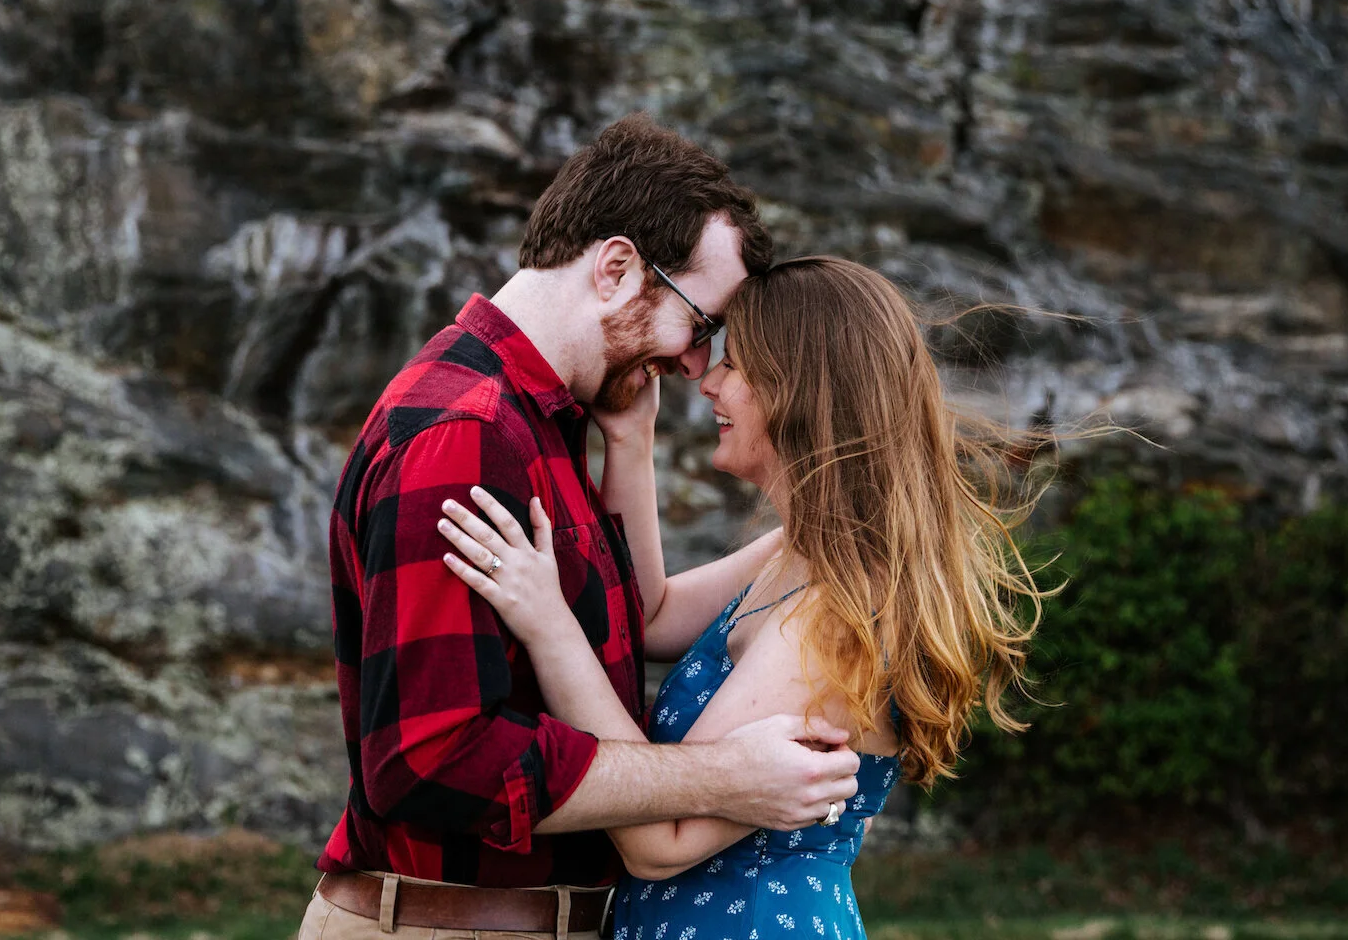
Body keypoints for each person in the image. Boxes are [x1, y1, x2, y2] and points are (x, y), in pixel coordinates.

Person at [299, 118, 865, 940]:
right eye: (701, 325)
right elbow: (428, 758)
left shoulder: (544, 421)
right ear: (615, 268)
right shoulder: (466, 435)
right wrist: (719, 777)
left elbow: (637, 623)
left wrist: (625, 447)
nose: (698, 365)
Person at [438, 256, 1048, 940]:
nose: (710, 384)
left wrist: (548, 623)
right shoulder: (803, 551)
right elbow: (651, 617)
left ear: (802, 391)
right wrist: (631, 440)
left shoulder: (835, 613)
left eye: (737, 365)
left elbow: (659, 842)